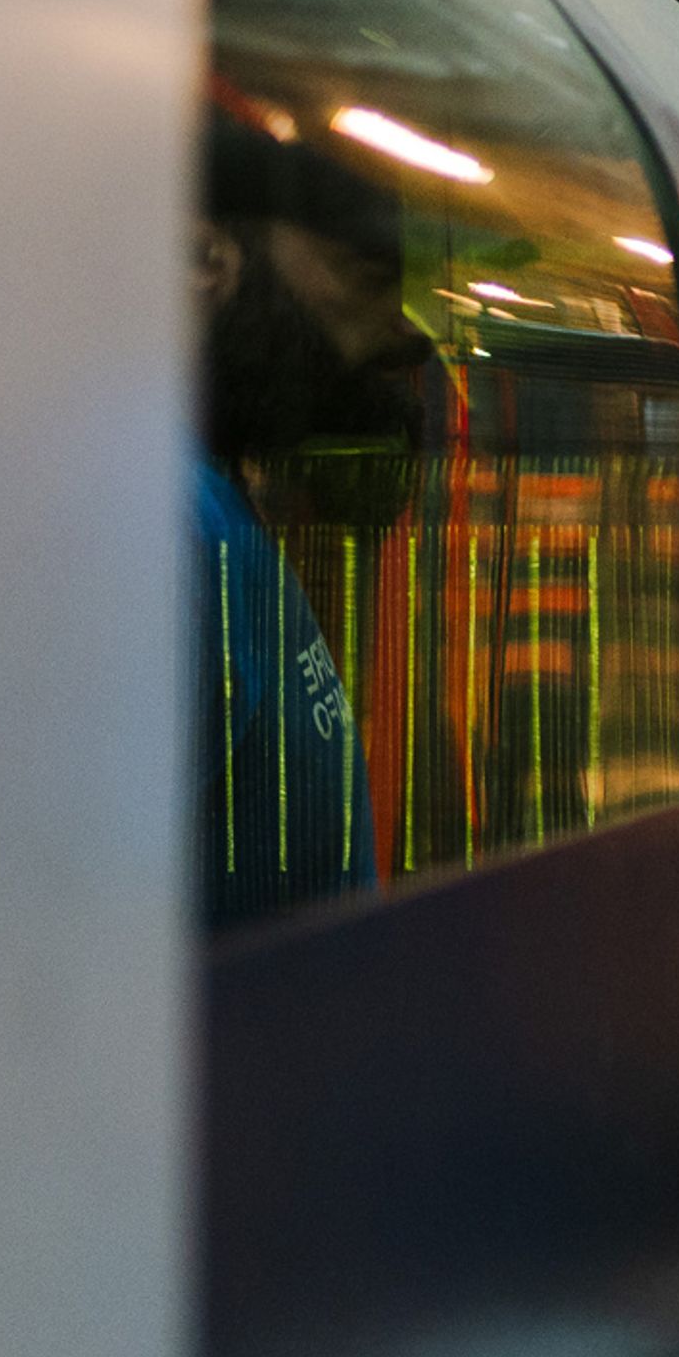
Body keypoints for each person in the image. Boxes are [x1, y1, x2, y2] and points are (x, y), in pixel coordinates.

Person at [191, 105, 430, 929]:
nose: (388, 338)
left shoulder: (214, 500)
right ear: (202, 260)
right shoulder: (162, 528)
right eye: (364, 275)